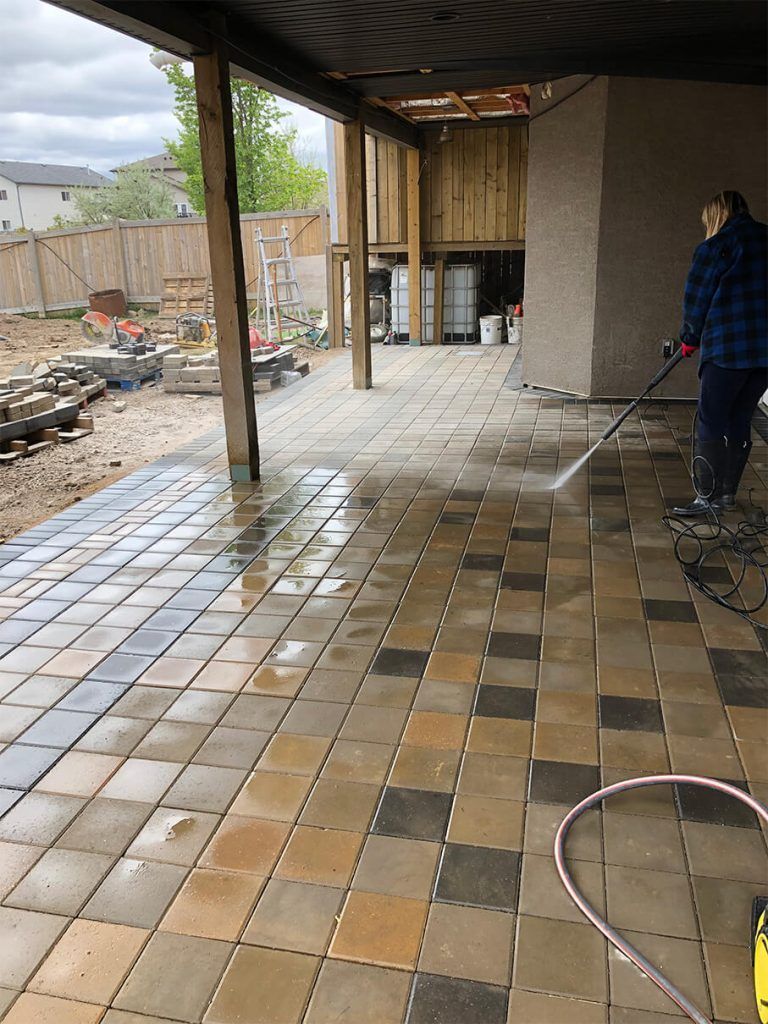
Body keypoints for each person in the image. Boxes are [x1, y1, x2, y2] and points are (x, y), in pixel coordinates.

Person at [673, 190, 767, 516]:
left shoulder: (716, 247)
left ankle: (706, 498)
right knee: (740, 418)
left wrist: (689, 336)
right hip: (764, 354)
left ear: (716, 216)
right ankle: (726, 495)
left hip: (727, 350)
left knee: (711, 419)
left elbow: (697, 297)